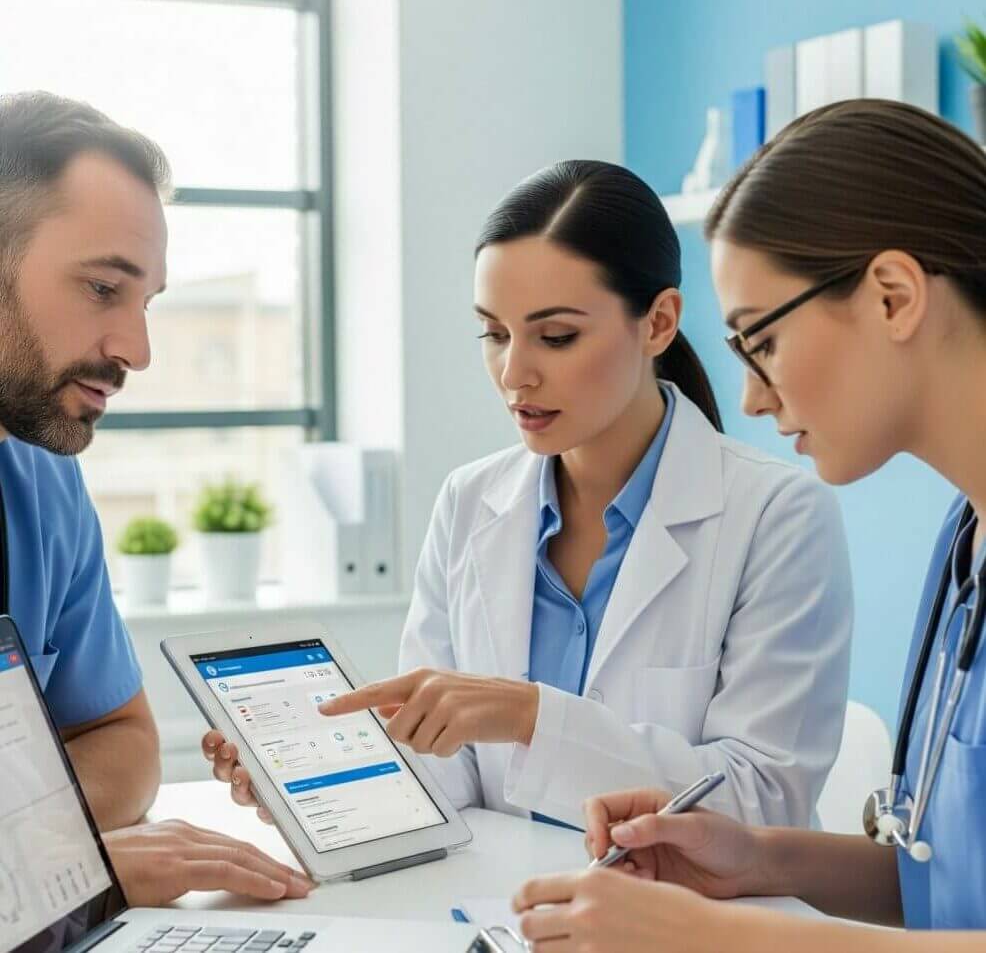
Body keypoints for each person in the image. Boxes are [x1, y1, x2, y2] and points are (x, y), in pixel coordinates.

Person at [208, 160, 852, 830]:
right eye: (494, 333)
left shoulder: (777, 515)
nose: (514, 373)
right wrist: (309, 777)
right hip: (502, 909)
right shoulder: (469, 501)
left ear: (658, 323)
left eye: (557, 337)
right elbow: (446, 768)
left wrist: (530, 717)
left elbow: (764, 801)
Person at [511, 100, 986, 949]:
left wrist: (716, 939)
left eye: (758, 343)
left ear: (892, 295)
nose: (752, 399)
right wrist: (756, 859)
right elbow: (941, 879)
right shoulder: (965, 544)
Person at [0, 90, 313, 904]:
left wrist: (38, 853)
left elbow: (125, 744)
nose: (135, 350)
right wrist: (55, 869)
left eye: (146, 303)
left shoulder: (42, 478)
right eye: (104, 289)